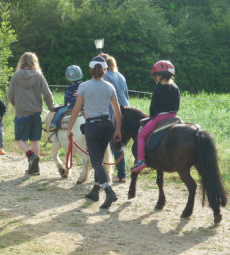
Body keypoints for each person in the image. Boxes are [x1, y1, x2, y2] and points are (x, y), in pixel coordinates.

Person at [67, 56, 122, 209]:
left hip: (92, 126)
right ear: (105, 70)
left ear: (90, 70)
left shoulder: (84, 86)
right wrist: (117, 130)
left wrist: (70, 128)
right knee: (100, 158)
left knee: (96, 161)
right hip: (107, 125)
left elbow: (76, 109)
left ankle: (108, 191)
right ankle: (95, 190)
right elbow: (117, 112)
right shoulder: (110, 86)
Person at [7, 51, 54, 175]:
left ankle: (31, 156)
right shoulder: (39, 76)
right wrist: (52, 108)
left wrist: (16, 104)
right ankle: (35, 169)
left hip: (22, 112)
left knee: (19, 139)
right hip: (36, 112)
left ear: (21, 62)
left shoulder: (16, 76)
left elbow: (9, 95)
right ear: (34, 62)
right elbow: (48, 94)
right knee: (34, 140)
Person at [131, 60, 180, 173]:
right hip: (174, 117)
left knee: (141, 135)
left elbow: (153, 109)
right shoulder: (175, 88)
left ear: (158, 76)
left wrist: (152, 117)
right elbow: (177, 106)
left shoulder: (158, 89)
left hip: (160, 118)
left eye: (155, 76)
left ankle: (141, 161)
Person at [100, 53, 129, 183]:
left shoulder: (104, 76)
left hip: (113, 112)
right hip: (126, 111)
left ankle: (121, 174)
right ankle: (120, 172)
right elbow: (126, 95)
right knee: (117, 143)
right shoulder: (120, 76)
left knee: (115, 143)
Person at [49, 65, 83, 131]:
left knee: (60, 111)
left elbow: (66, 100)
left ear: (68, 78)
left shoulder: (69, 88)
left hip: (72, 107)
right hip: (83, 106)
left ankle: (53, 124)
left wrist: (65, 104)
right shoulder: (84, 85)